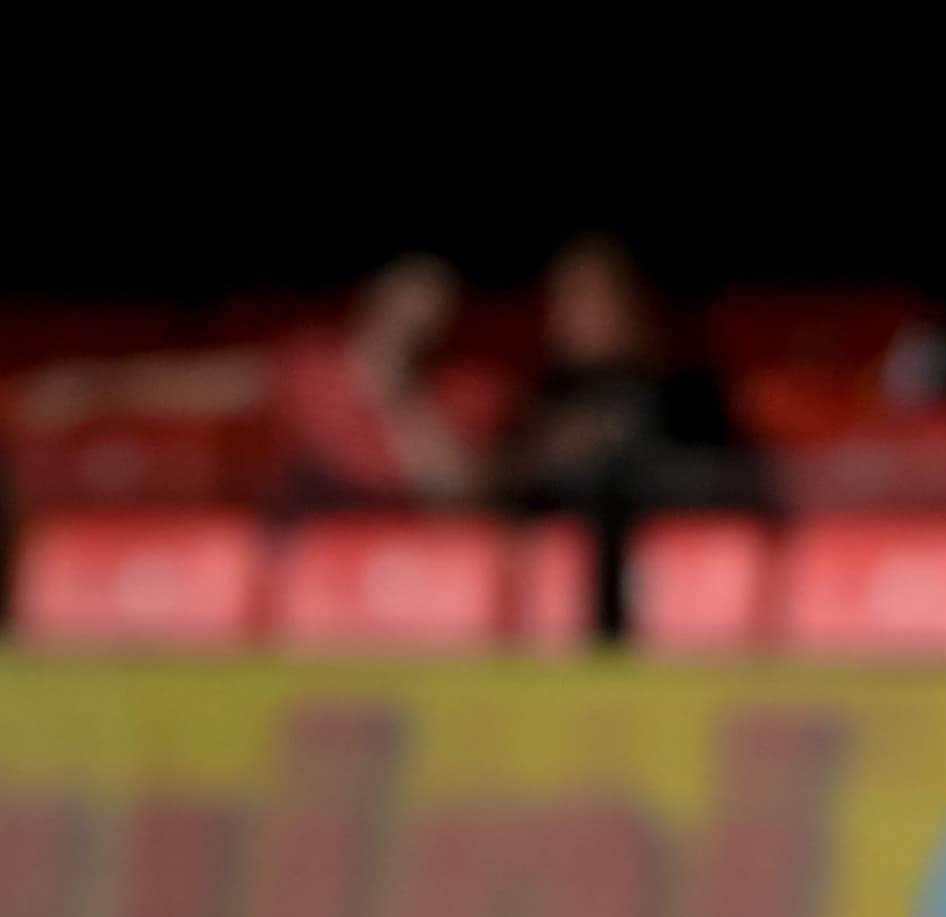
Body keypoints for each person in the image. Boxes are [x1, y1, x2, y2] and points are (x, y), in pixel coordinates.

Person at [11, 253, 504, 508]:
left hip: (402, 528)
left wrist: (399, 398)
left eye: (430, 308)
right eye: (404, 302)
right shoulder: (309, 366)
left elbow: (455, 492)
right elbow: (198, 385)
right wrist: (97, 387)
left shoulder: (465, 390)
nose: (414, 318)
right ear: (372, 302)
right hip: (311, 522)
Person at [507, 235, 750, 640]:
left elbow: (734, 485)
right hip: (561, 622)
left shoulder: (687, 389)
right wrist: (554, 457)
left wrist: (623, 463)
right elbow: (498, 496)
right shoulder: (547, 394)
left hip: (681, 603)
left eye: (589, 296)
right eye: (563, 298)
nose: (572, 314)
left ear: (631, 302)